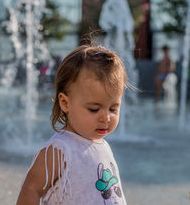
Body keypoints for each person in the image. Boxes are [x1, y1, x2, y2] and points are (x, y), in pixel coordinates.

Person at [17, 45, 128, 205]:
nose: (106, 117)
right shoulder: (60, 149)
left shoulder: (102, 146)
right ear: (65, 103)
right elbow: (31, 189)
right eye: (94, 109)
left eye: (113, 108)